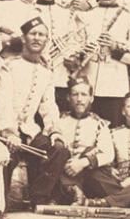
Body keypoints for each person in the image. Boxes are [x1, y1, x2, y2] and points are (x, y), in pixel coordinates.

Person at [0, 17, 63, 207]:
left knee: (59, 151)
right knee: (4, 155)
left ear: (46, 41)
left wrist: (54, 130)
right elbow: (1, 103)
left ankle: (39, 198)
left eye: (42, 35)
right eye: (33, 34)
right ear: (24, 38)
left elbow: (49, 105)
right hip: (1, 129)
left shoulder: (46, 73)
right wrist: (9, 132)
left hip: (28, 129)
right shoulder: (9, 67)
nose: (37, 38)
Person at [74, 0, 130, 125]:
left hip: (115, 86)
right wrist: (82, 52)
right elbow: (74, 51)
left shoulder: (129, 17)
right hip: (88, 84)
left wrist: (114, 48)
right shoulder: (85, 16)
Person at [47, 77, 116, 205]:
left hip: (87, 174)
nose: (79, 99)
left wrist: (82, 162)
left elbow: (108, 154)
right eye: (75, 94)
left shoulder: (100, 124)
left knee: (91, 152)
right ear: (68, 97)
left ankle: (72, 193)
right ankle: (72, 191)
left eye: (84, 94)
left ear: (91, 98)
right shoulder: (58, 121)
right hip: (62, 170)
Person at [32, 0, 85, 110]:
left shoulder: (66, 13)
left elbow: (75, 42)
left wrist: (74, 57)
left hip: (61, 78)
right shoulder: (28, 12)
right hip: (34, 78)